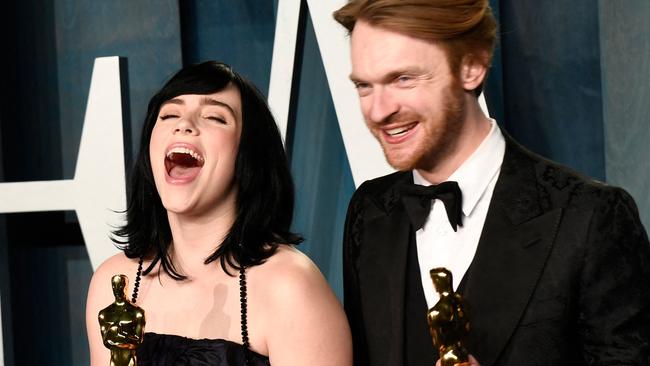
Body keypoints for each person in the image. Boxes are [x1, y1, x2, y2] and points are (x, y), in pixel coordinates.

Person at [333, 1, 650, 365]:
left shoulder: (590, 218)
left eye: (403, 79)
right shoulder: (370, 209)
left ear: (472, 66)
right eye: (364, 86)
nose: (378, 111)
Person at [86, 61, 352, 366]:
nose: (184, 124)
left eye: (214, 117)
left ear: (248, 155)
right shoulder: (113, 281)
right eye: (169, 114)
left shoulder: (290, 288)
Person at [98, 275, 145, 366]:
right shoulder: (104, 314)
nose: (116, 289)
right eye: (114, 285)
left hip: (130, 361)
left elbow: (138, 341)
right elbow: (106, 342)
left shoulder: (137, 313)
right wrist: (124, 339)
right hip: (114, 361)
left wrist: (118, 334)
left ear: (125, 286)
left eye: (120, 285)